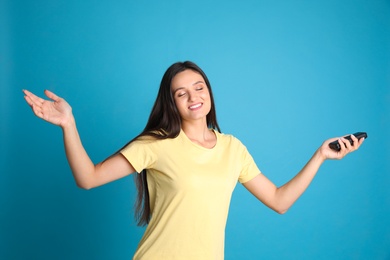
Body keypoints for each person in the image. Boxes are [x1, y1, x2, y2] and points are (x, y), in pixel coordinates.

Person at [23, 61, 364, 260]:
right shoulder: (156, 144)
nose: (193, 97)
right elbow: (88, 177)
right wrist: (69, 124)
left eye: (199, 87)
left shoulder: (233, 148)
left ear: (210, 93)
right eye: (181, 93)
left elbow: (279, 200)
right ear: (172, 103)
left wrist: (320, 156)